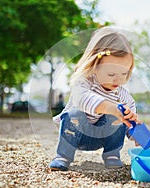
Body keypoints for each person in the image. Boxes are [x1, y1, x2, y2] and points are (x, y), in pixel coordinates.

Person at [50, 27, 140, 171]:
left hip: (103, 137)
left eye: (124, 73)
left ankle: (112, 155)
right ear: (95, 67)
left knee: (118, 117)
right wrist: (111, 108)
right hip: (77, 135)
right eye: (111, 74)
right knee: (74, 114)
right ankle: (63, 156)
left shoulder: (123, 97)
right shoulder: (83, 83)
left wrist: (140, 137)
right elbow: (83, 100)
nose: (118, 79)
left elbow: (131, 123)